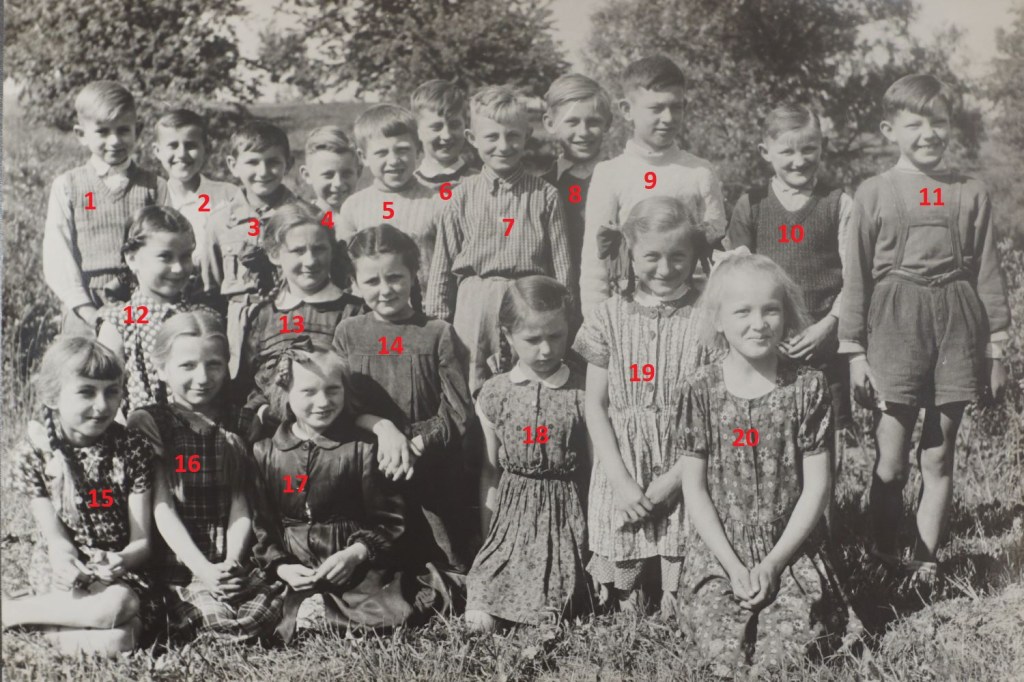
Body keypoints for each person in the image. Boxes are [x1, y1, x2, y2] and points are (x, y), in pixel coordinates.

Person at [839, 74, 1011, 593]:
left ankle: (925, 562)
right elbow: (856, 276)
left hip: (958, 324)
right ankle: (883, 554)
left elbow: (988, 272)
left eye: (938, 121)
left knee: (938, 453)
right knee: (891, 462)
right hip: (895, 325)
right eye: (915, 124)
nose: (929, 133)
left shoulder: (970, 191)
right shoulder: (874, 192)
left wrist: (996, 348)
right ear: (889, 130)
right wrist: (854, 351)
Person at [676, 251, 851, 675]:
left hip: (791, 547)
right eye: (743, 312)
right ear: (719, 320)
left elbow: (817, 488)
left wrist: (773, 563)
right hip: (721, 551)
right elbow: (694, 489)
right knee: (720, 650)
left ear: (786, 315)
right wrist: (733, 566)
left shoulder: (807, 387)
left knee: (787, 649)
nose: (758, 323)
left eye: (770, 310)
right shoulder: (699, 390)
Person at [249, 345, 447, 641]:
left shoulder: (361, 448)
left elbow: (391, 522)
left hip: (356, 570)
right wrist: (281, 567)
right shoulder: (265, 452)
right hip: (295, 568)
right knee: (261, 609)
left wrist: (357, 553)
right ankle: (309, 610)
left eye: (333, 390)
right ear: (285, 394)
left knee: (388, 611)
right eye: (308, 392)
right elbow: (262, 527)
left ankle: (325, 613)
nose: (323, 402)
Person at [572, 196, 709, 612]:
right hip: (623, 465)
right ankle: (627, 594)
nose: (665, 269)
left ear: (694, 255)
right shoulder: (607, 317)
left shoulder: (710, 316)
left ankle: (676, 594)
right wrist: (621, 482)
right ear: (630, 254)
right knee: (628, 602)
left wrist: (676, 478)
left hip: (688, 461)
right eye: (652, 257)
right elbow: (595, 406)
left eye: (678, 256)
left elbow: (718, 411)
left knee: (679, 598)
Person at [127, 311, 284, 643]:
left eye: (214, 365)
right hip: (182, 567)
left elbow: (241, 503)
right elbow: (163, 509)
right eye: (187, 366)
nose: (202, 377)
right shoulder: (151, 422)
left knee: (262, 610)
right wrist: (203, 570)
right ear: (161, 369)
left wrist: (230, 564)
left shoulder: (241, 422)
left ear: (227, 365)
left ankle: (233, 619)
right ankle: (205, 621)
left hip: (232, 563)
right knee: (214, 620)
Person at [333, 225, 474, 593]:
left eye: (395, 277)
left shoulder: (438, 332)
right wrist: (383, 429)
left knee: (450, 563)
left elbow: (458, 411)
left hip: (430, 466)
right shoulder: (348, 333)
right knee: (375, 563)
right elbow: (340, 403)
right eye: (372, 281)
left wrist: (413, 445)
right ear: (354, 284)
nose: (385, 289)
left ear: (414, 274)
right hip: (370, 467)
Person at [4, 338, 155, 654]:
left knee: (121, 624)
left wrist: (120, 560)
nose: (102, 405)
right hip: (63, 570)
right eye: (86, 392)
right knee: (115, 620)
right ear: (52, 396)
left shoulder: (133, 449)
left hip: (119, 573)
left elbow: (141, 543)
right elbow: (56, 541)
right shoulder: (34, 454)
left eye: (111, 391)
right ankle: (24, 614)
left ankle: (20, 616)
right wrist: (66, 564)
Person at [426, 85, 575, 394]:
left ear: (527, 136)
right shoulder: (461, 196)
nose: (503, 146)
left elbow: (562, 268)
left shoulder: (545, 195)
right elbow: (442, 268)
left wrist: (563, 318)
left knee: (530, 385)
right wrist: (436, 326)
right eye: (492, 137)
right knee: (473, 384)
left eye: (513, 136)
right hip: (475, 308)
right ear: (472, 139)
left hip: (530, 306)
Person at [465, 276, 592, 631]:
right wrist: (489, 538)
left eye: (556, 336)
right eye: (532, 340)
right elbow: (490, 471)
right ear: (508, 336)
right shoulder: (495, 393)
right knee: (478, 616)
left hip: (564, 518)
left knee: (550, 609)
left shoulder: (582, 390)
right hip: (510, 522)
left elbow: (596, 470)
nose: (546, 350)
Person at [725, 103, 856, 433]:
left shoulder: (839, 204)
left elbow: (855, 279)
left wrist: (828, 326)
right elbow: (736, 281)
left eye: (809, 149)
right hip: (766, 348)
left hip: (826, 350)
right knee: (770, 434)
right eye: (787, 151)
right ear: (765, 152)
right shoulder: (751, 205)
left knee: (828, 438)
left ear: (823, 147)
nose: (799, 161)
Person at [579, 56, 727, 320]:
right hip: (627, 315)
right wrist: (595, 323)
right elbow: (595, 262)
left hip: (691, 316)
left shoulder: (700, 172)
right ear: (627, 109)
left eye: (676, 107)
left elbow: (718, 257)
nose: (668, 118)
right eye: (656, 108)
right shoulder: (609, 174)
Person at [43, 80, 168, 336]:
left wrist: (151, 299)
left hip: (141, 300)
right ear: (81, 134)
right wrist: (86, 310)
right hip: (85, 303)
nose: (114, 140)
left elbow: (168, 246)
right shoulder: (68, 185)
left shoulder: (155, 186)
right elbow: (58, 252)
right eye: (102, 132)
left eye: (123, 130)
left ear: (138, 130)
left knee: (140, 360)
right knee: (85, 361)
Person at [236, 201, 364, 443]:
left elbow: (363, 385)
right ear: (275, 254)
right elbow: (248, 383)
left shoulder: (354, 312)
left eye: (319, 249)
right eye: (298, 251)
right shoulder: (262, 315)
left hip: (342, 441)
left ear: (331, 250)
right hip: (274, 443)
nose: (311, 261)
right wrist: (263, 412)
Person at [95, 206, 216, 418]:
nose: (178, 268)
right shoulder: (121, 321)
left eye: (185, 256)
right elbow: (104, 390)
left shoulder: (201, 315)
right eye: (165, 257)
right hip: (143, 431)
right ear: (132, 259)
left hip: (202, 429)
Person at [213, 119, 298, 377]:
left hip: (290, 321)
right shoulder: (220, 221)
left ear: (288, 163)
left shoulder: (304, 216)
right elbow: (209, 289)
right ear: (233, 165)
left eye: (273, 162)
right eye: (252, 162)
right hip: (237, 330)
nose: (263, 171)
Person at [336, 104, 440, 291]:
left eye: (402, 150)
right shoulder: (353, 207)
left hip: (425, 304)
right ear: (363, 157)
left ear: (418, 150)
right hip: (371, 304)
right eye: (381, 153)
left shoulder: (436, 202)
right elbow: (345, 266)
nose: (394, 160)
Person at [152, 109, 245, 304]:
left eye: (191, 145)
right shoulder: (153, 199)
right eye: (173, 146)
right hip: (167, 298)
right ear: (157, 151)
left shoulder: (228, 195)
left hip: (221, 296)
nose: (181, 154)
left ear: (207, 148)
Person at [541, 74, 613, 278]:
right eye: (572, 122)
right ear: (550, 123)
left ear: (608, 123)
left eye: (593, 122)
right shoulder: (540, 187)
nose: (583, 132)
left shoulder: (621, 179)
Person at [410, 79, 477, 189]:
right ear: (417, 130)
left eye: (454, 125)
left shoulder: (481, 183)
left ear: (465, 125)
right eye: (436, 127)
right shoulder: (407, 187)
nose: (447, 136)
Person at [299, 126, 362, 223]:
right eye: (328, 175)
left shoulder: (367, 216)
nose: (338, 183)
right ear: (307, 175)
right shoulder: (303, 222)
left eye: (346, 174)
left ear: (358, 172)